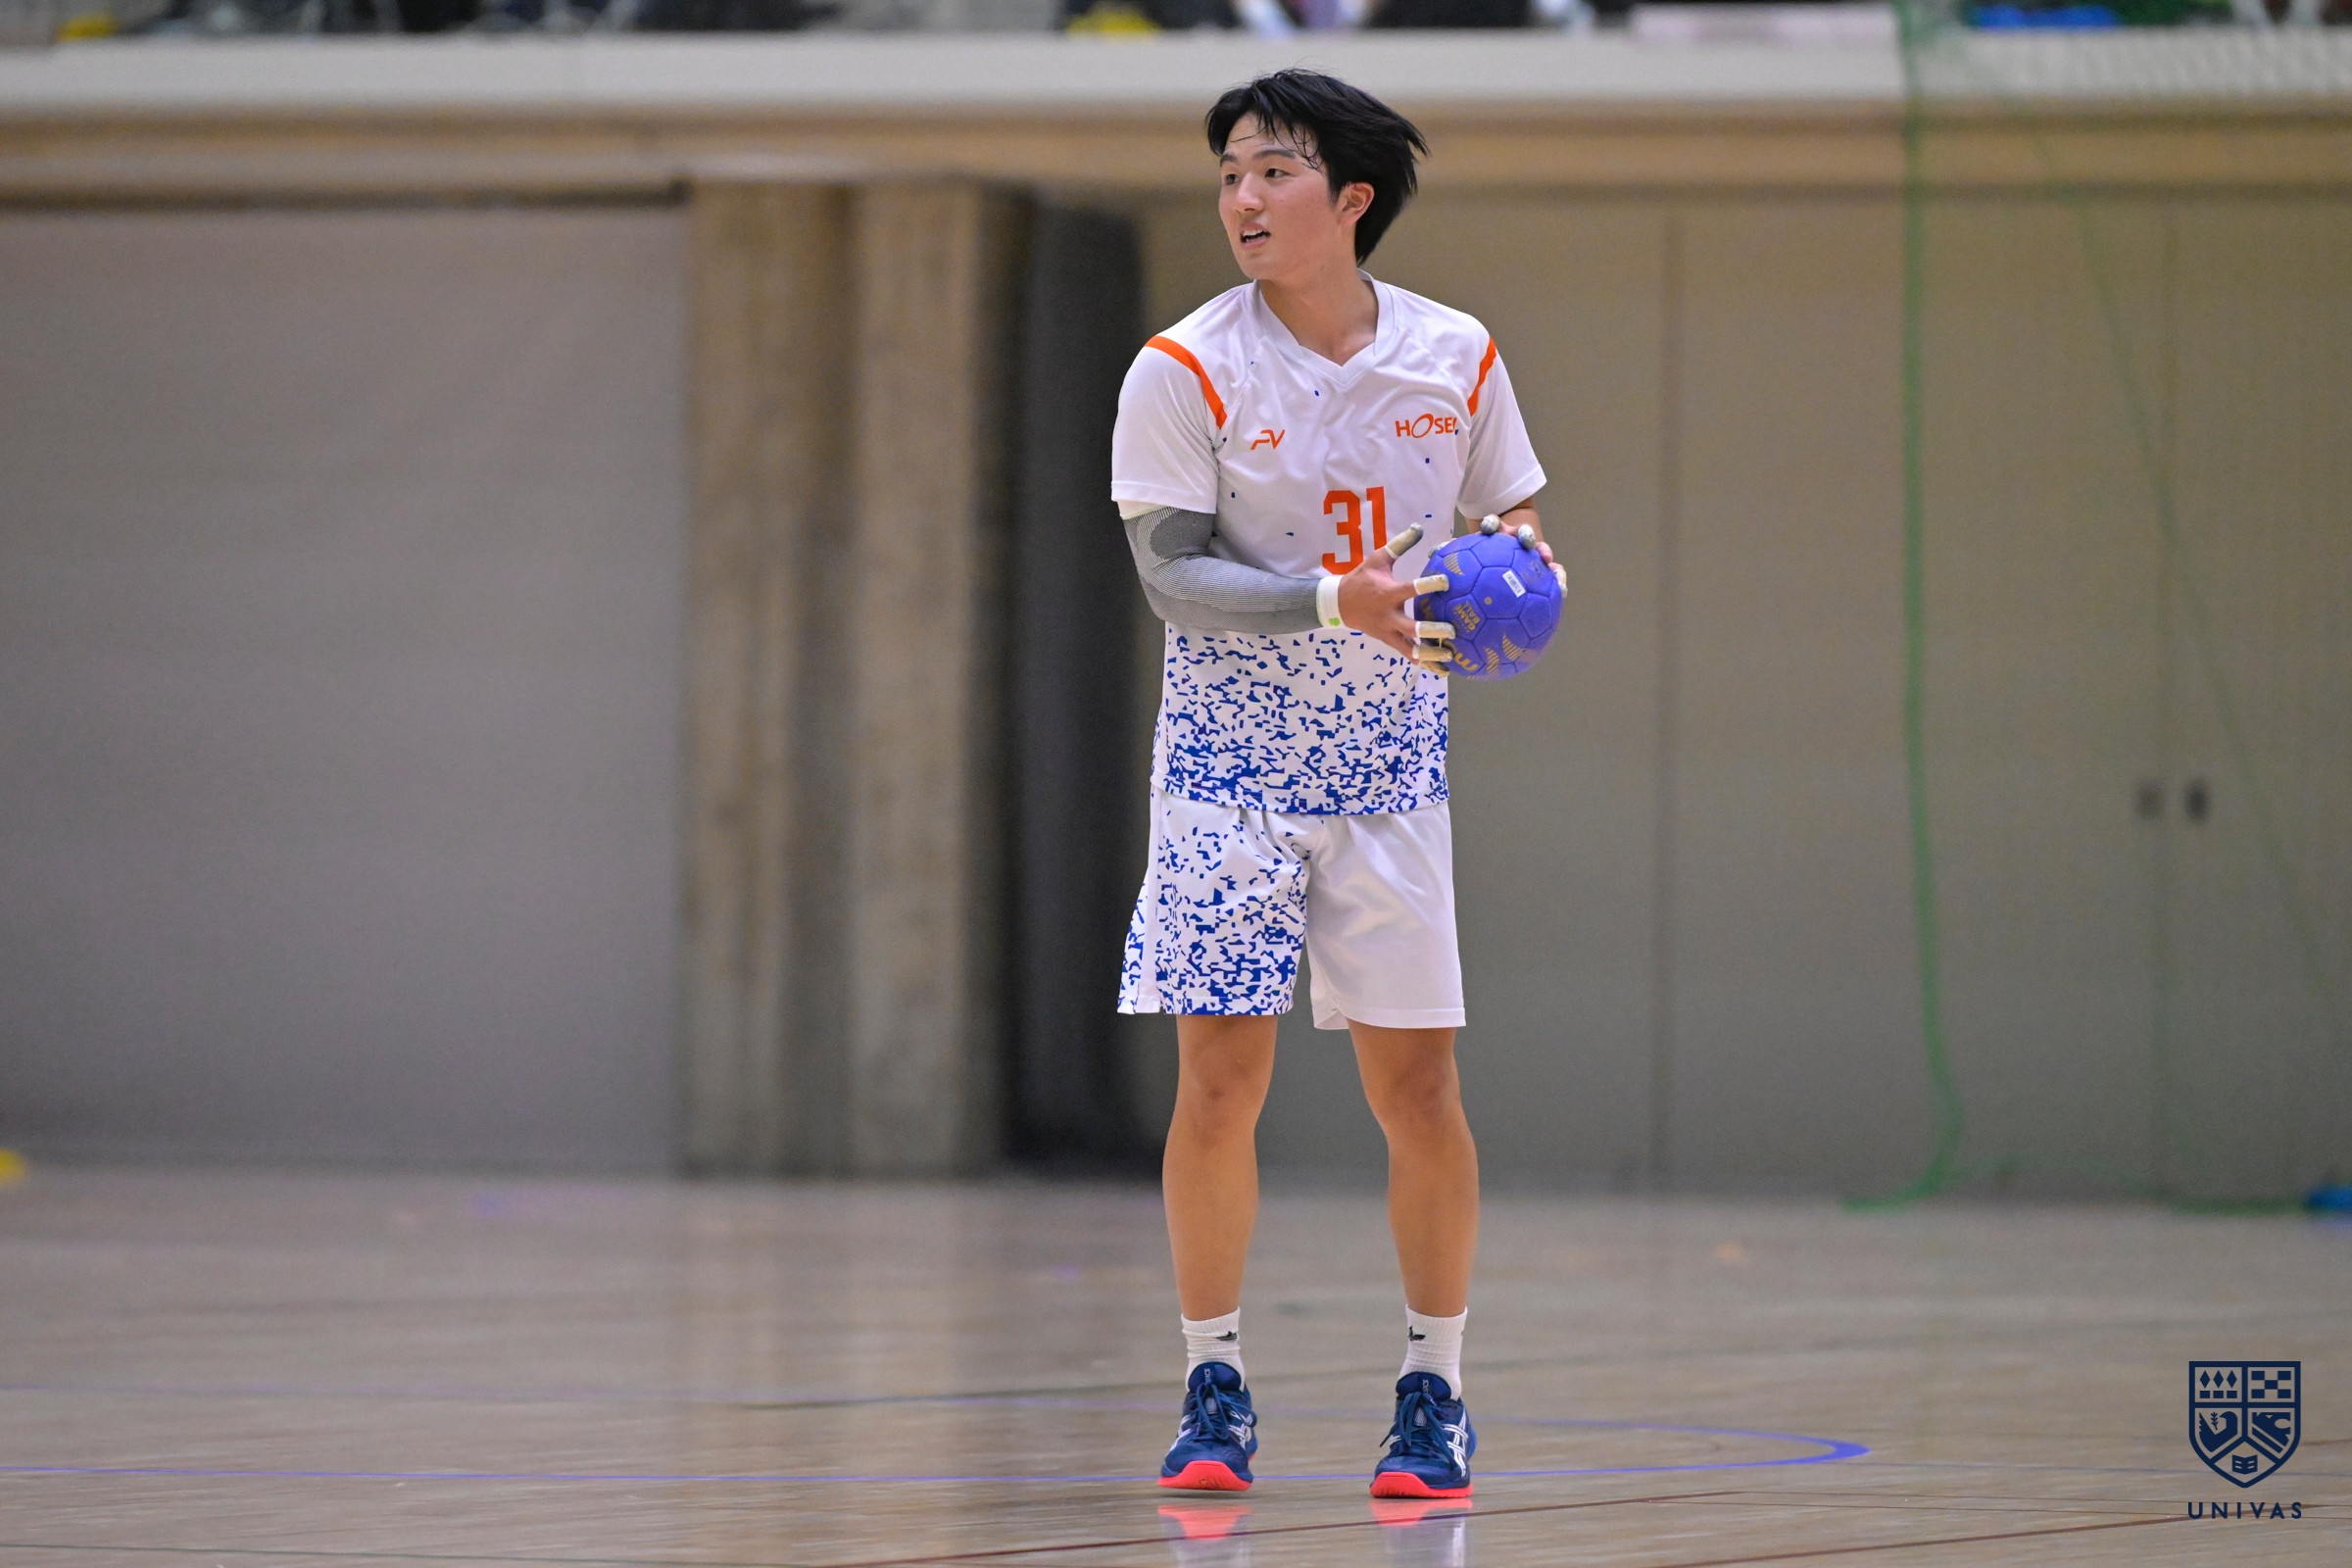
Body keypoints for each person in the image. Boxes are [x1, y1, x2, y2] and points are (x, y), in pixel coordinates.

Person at [1110, 68, 1555, 1499]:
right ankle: (1212, 1382)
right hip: (1226, 768)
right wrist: (1328, 601)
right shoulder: (1183, 367)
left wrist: (1525, 564)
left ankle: (1436, 1390)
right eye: (1229, 174)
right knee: (1219, 1081)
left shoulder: (1456, 354)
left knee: (1418, 1088)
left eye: (1273, 171)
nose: (1241, 198)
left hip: (1389, 768)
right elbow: (1172, 577)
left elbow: (1509, 512)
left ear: (1351, 197)